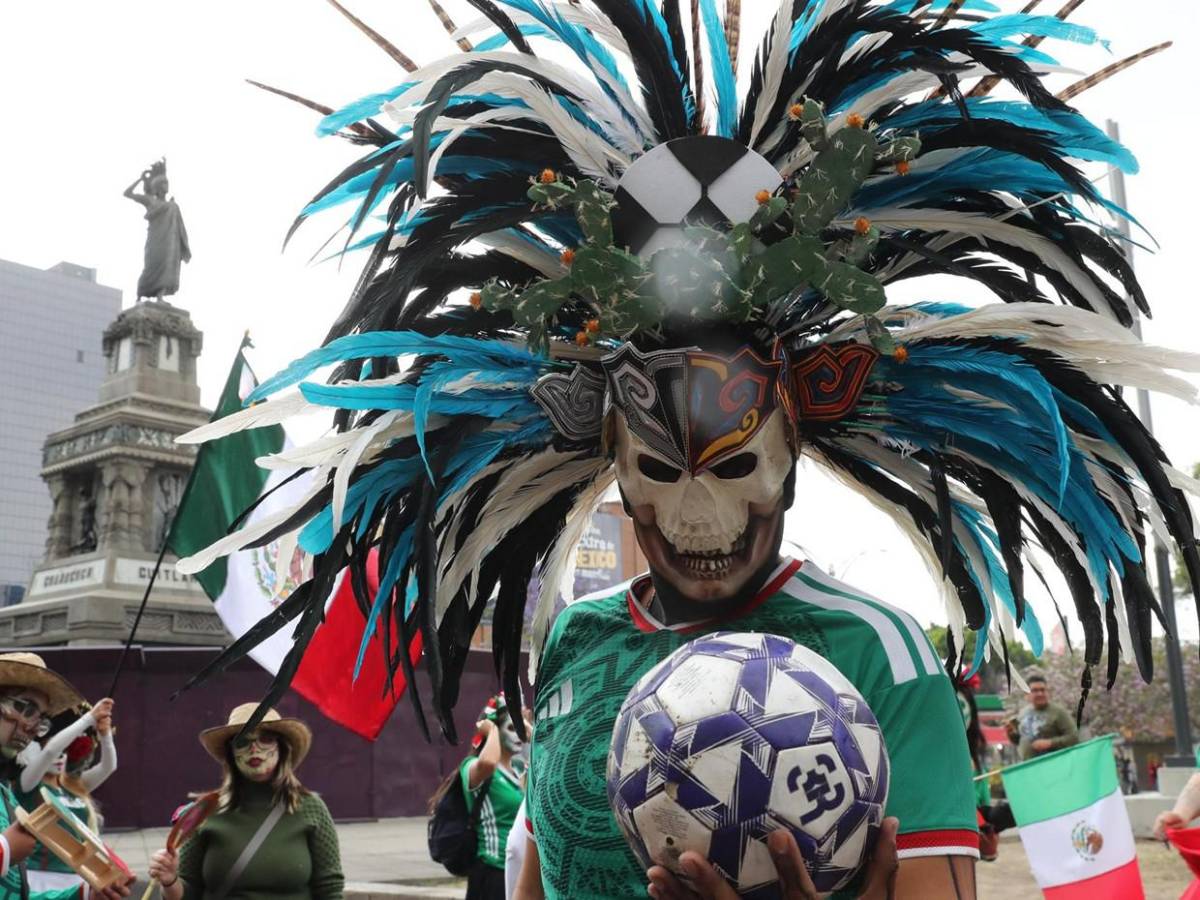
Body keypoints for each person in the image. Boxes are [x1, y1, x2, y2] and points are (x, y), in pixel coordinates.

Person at [173, 1, 1200, 898]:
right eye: (658, 471)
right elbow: (540, 869)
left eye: (736, 465)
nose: (700, 521)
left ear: (796, 447)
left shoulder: (878, 657)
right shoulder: (572, 639)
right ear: (603, 455)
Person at [148, 704, 343, 900]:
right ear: (231, 753)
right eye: (242, 741)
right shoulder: (207, 811)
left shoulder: (310, 808)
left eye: (265, 739)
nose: (254, 748)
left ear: (282, 748)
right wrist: (170, 879)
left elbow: (329, 889)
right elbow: (187, 892)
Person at [0, 653, 130, 900]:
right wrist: (4, 850)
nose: (31, 727)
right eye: (26, 708)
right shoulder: (25, 787)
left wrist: (84, 894)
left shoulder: (6, 796)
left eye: (40, 720)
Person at [16, 699, 118, 890]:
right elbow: (49, 751)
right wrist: (89, 718)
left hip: (77, 877)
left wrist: (105, 734)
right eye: (57, 750)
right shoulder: (28, 784)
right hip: (38, 878)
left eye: (65, 751)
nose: (59, 756)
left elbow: (109, 766)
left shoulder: (74, 786)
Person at [456, 695, 527, 900]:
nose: (517, 735)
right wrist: (492, 729)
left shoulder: (520, 769)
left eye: (519, 728)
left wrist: (527, 727)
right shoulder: (472, 766)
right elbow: (487, 763)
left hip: (522, 870)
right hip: (492, 874)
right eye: (511, 729)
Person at [123, 159, 190, 301]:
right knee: (151, 265)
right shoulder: (150, 200)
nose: (167, 186)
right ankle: (140, 295)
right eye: (164, 183)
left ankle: (160, 295)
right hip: (155, 239)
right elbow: (127, 193)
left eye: (167, 183)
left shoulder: (172, 205)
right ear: (158, 186)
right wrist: (140, 180)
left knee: (168, 264)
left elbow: (178, 226)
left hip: (169, 241)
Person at [1006, 675, 1078, 761]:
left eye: (1043, 690)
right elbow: (1021, 740)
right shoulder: (1023, 713)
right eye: (1035, 691)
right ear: (1027, 694)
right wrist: (1011, 734)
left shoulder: (1058, 712)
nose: (1040, 694)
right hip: (1029, 765)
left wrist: (1050, 743)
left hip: (1053, 764)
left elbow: (1074, 737)